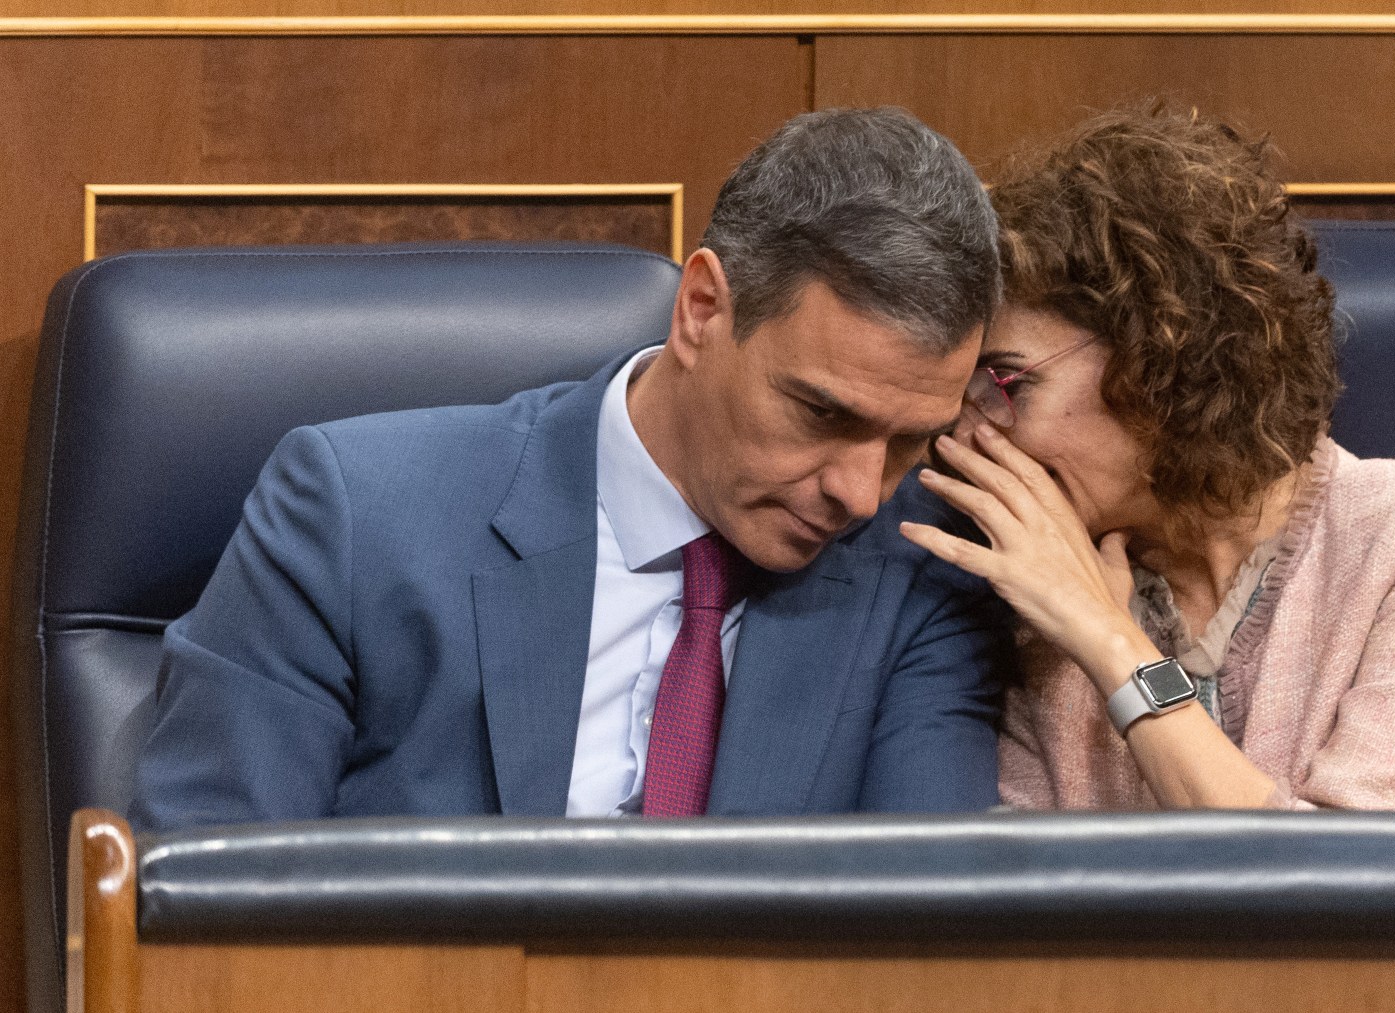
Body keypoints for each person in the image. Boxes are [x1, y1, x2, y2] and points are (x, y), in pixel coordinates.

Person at [130, 107, 1009, 832]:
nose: (860, 491)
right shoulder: (353, 517)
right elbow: (200, 918)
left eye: (908, 440)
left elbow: (924, 951)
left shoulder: (919, 576)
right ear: (702, 309)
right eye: (823, 413)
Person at [901, 107, 1395, 811]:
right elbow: (1022, 901)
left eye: (1005, 383)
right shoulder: (1029, 589)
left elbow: (1363, 896)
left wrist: (1112, 643)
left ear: (1158, 361)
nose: (964, 439)